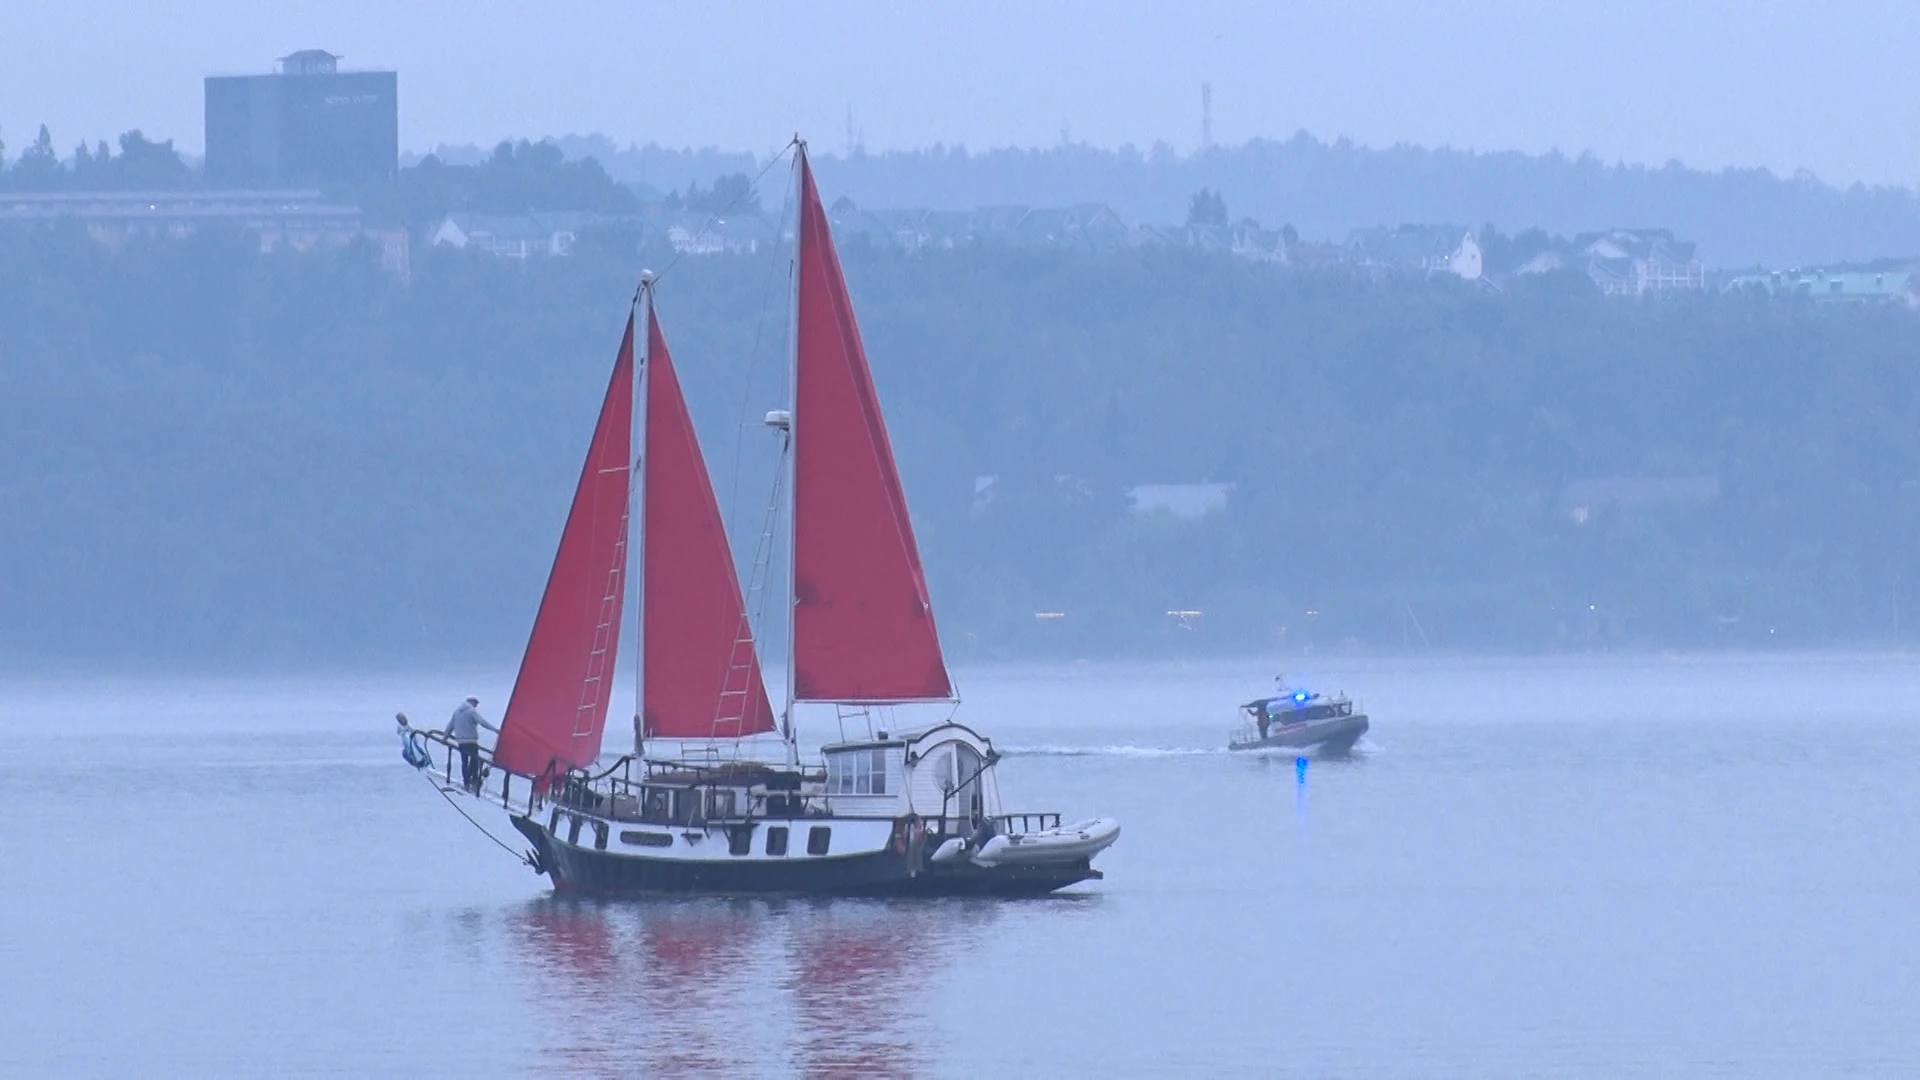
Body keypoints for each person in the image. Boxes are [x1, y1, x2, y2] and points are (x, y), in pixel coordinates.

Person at [446, 696, 499, 794]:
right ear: (472, 702)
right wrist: (495, 730)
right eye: (476, 703)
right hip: (471, 741)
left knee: (464, 761)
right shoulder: (471, 711)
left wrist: (445, 737)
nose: (476, 705)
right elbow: (482, 722)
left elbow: (450, 726)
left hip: (461, 741)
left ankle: (466, 781)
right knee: (475, 761)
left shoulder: (457, 712)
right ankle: (474, 780)